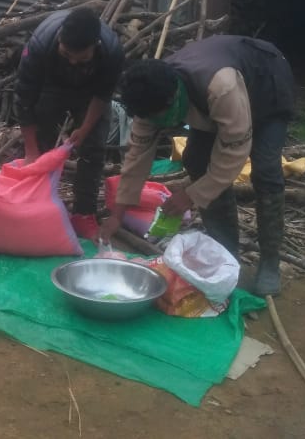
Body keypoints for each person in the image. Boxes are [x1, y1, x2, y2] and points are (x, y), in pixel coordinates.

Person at [100, 35, 295, 296]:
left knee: (266, 171)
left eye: (159, 118)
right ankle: (226, 253)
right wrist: (117, 215)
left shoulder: (219, 87)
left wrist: (191, 196)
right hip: (217, 104)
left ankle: (270, 263)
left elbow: (234, 153)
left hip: (265, 86)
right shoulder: (147, 100)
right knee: (195, 159)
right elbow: (136, 158)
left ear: (172, 101)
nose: (156, 123)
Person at [13, 6, 125, 239]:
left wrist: (84, 130)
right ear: (60, 40)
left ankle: (84, 213)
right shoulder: (40, 46)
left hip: (89, 92)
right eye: (67, 55)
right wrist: (31, 150)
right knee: (40, 140)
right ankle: (35, 204)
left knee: (93, 149)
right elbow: (24, 100)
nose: (74, 62)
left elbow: (102, 96)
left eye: (82, 58)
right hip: (51, 86)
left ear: (96, 46)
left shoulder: (112, 52)